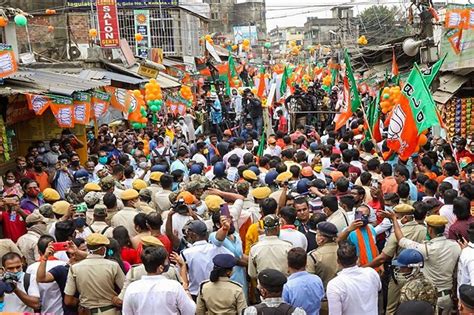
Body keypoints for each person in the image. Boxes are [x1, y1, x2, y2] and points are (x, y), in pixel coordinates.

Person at [384, 213, 462, 314]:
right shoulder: (455, 245)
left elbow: (401, 240)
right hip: (448, 297)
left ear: (429, 230)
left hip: (431, 297)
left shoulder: (427, 249)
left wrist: (394, 219)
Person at [122, 246, 196, 314]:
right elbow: (190, 311)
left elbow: (126, 313)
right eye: (166, 261)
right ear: (160, 268)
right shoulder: (174, 287)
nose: (168, 264)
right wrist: (186, 290)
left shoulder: (132, 288)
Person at [64, 233, 125, 315]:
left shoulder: (75, 268)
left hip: (85, 312)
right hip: (110, 311)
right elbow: (126, 287)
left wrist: (82, 303)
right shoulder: (113, 266)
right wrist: (118, 299)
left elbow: (68, 300)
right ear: (103, 249)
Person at [180, 220, 232, 300]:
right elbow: (231, 257)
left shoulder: (186, 253)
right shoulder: (215, 248)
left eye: (188, 233)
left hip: (196, 294)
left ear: (193, 234)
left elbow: (182, 275)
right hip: (216, 292)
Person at [326, 241, 381, 315]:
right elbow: (378, 288)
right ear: (357, 259)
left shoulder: (335, 285)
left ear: (338, 262)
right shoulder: (371, 273)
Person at [25, 235, 67, 315]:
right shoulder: (63, 265)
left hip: (39, 310)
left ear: (38, 251)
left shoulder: (31, 268)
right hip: (60, 311)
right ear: (55, 249)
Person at [248, 214, 293, 280]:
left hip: (263, 287)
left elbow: (252, 274)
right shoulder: (288, 247)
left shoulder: (254, 248)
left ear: (264, 229)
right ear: (278, 228)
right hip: (283, 286)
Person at [283, 247, 325, 315]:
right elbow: (321, 298)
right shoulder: (317, 280)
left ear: (288, 264)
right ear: (306, 263)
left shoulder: (287, 285)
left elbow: (284, 308)